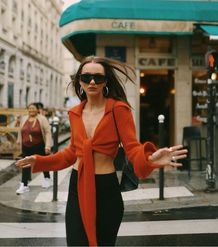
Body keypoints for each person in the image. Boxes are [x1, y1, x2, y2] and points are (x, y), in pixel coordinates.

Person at [16, 56, 187, 246]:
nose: (92, 82)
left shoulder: (118, 110)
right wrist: (39, 161)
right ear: (79, 80)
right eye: (86, 77)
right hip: (78, 187)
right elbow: (72, 153)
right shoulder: (74, 113)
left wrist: (149, 159)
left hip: (106, 189)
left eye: (98, 78)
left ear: (106, 81)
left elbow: (132, 148)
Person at [16, 102, 52, 194]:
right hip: (26, 146)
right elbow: (21, 131)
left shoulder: (42, 119)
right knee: (25, 164)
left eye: (33, 108)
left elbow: (48, 132)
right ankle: (24, 184)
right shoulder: (24, 119)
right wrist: (18, 141)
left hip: (39, 145)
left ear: (37, 109)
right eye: (30, 108)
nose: (31, 110)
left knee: (42, 163)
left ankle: (47, 178)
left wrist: (48, 145)